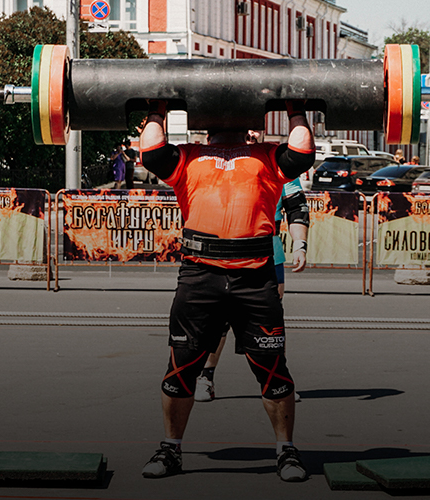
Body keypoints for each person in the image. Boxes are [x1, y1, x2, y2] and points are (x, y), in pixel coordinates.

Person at [138, 99, 314, 482]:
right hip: (201, 277)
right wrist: (157, 108)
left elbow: (301, 149)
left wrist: (296, 107)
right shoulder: (187, 156)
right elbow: (151, 151)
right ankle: (171, 449)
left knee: (272, 369)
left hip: (255, 280)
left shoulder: (268, 156)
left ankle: (286, 451)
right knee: (181, 367)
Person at [194, 130, 310, 404]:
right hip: (222, 254)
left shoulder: (278, 161)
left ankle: (278, 380)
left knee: (270, 323)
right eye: (245, 132)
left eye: (255, 130)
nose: (252, 136)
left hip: (269, 254)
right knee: (219, 321)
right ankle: (205, 378)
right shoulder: (215, 160)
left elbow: (296, 205)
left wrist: (300, 244)